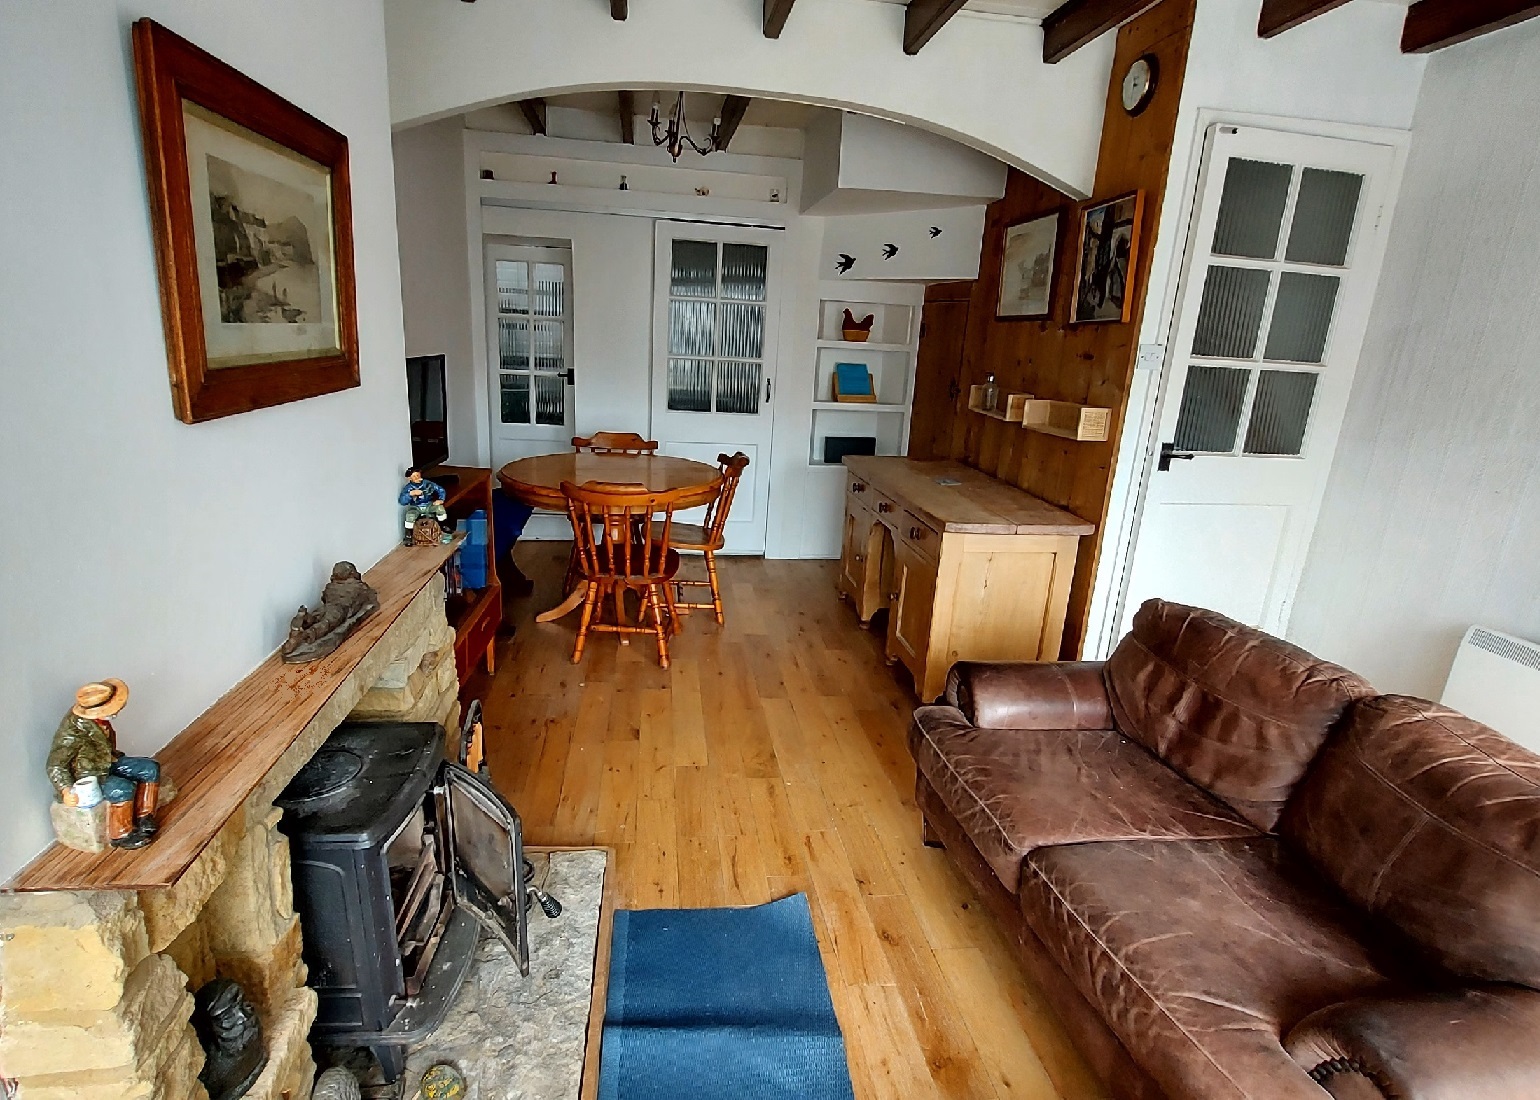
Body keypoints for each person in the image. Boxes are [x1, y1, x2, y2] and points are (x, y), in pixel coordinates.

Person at [46, 679, 160, 849]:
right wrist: (65, 789)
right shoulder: (72, 732)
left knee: (149, 769)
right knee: (121, 788)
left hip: (108, 761)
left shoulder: (99, 721)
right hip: (90, 774)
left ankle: (144, 816)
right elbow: (55, 765)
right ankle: (121, 834)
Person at [400, 467, 448, 546]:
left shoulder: (427, 484)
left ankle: (444, 526)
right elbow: (402, 501)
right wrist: (410, 494)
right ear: (409, 478)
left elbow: (440, 489)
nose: (417, 478)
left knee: (439, 508)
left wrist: (441, 500)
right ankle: (408, 536)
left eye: (418, 475)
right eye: (414, 476)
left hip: (428, 505)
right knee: (410, 515)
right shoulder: (408, 488)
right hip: (415, 507)